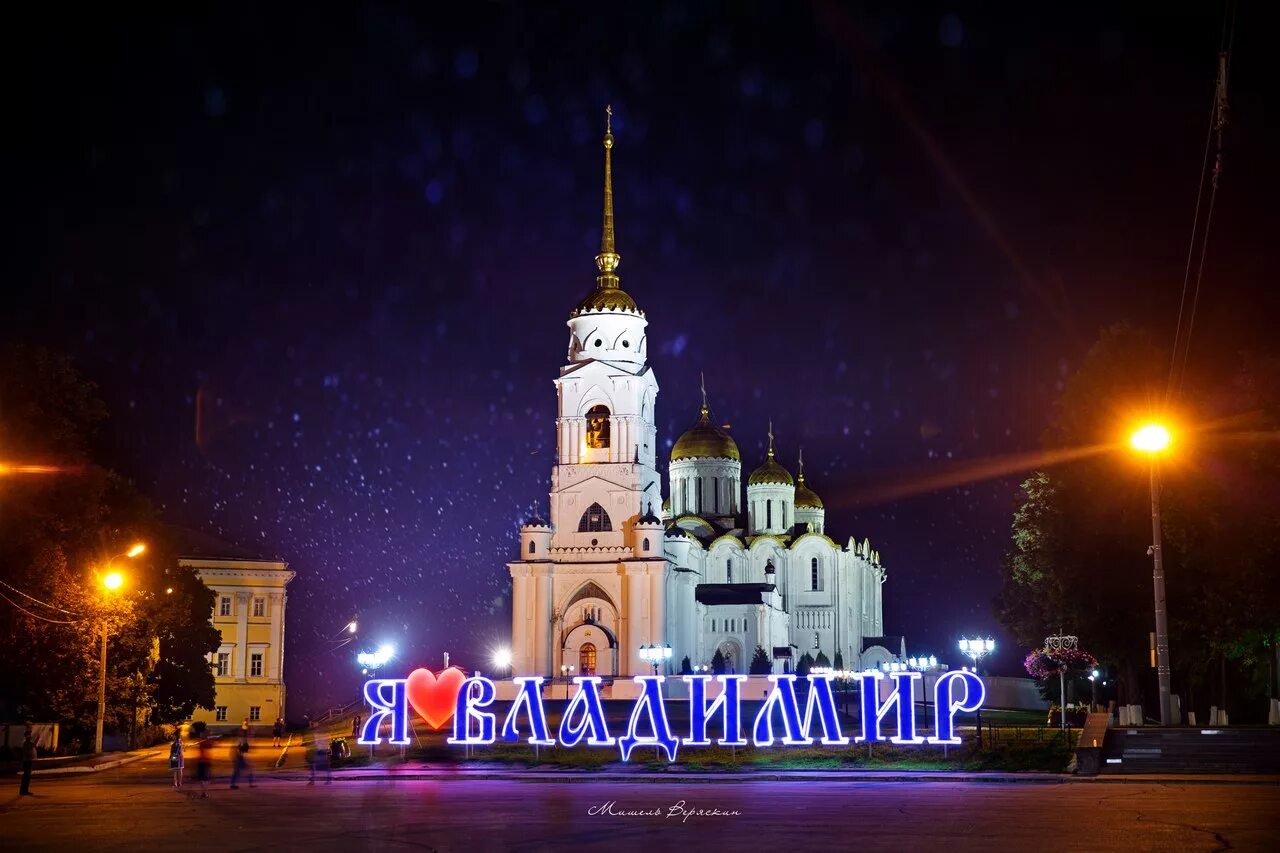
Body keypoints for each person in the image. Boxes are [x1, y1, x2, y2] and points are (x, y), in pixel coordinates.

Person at [19, 729, 36, 796]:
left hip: (28, 761)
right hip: (27, 762)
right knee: (26, 777)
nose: (30, 736)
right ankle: (23, 791)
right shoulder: (26, 743)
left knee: (27, 777)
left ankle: (24, 791)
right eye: (29, 735)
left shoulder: (29, 743)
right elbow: (27, 752)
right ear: (26, 736)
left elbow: (33, 745)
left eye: (30, 735)